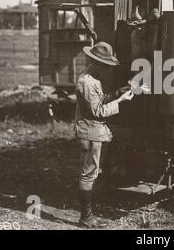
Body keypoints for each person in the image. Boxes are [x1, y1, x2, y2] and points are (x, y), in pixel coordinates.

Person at [75, 41, 134, 228]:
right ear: (96, 63)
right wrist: (121, 101)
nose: (108, 69)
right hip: (91, 133)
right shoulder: (87, 82)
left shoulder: (93, 79)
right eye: (105, 65)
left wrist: (117, 93)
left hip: (96, 132)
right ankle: (86, 217)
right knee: (88, 175)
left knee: (94, 172)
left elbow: (99, 100)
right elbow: (98, 112)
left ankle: (91, 210)